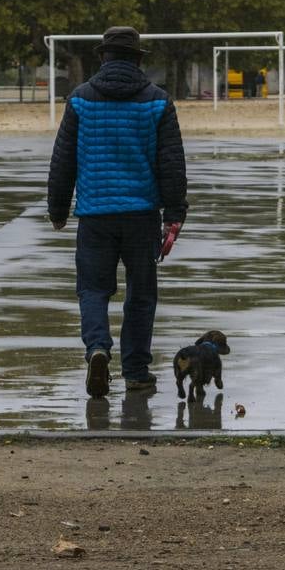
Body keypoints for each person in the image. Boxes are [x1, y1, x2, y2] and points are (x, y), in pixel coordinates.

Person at [47, 26, 188, 398]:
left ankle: (96, 349)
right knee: (140, 295)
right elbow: (171, 163)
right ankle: (137, 372)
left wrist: (58, 208)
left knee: (93, 289)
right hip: (142, 215)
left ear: (104, 58)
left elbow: (63, 160)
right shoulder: (158, 101)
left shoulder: (79, 100)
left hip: (95, 214)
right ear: (138, 59)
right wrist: (175, 214)